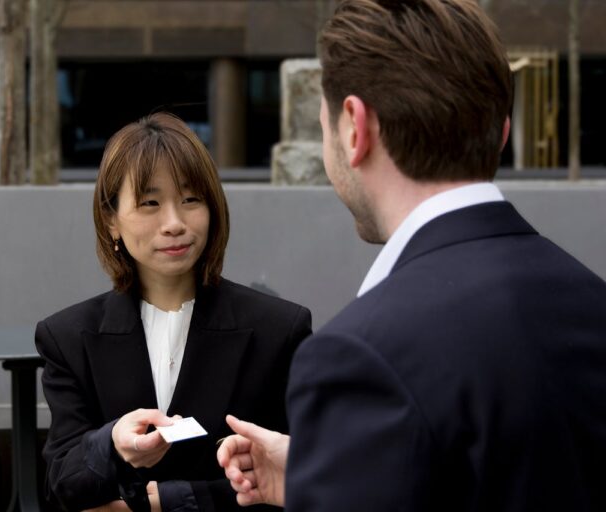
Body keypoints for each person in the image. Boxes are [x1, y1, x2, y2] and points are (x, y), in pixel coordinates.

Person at [217, 1, 606, 511]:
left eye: (325, 127)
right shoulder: (590, 301)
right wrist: (332, 466)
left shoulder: (359, 356)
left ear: (355, 129)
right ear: (504, 130)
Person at [35, 112, 312, 512]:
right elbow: (62, 483)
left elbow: (304, 471)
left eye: (190, 199)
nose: (174, 223)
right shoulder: (67, 337)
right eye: (150, 203)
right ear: (111, 219)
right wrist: (112, 444)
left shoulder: (279, 330)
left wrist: (169, 500)